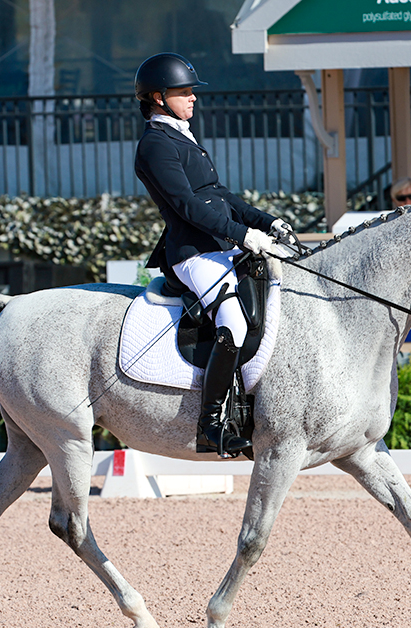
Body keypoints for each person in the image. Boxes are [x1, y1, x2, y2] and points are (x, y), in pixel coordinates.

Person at [133, 52, 293, 458]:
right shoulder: (155, 144)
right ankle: (212, 425)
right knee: (233, 322)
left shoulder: (182, 136)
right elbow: (188, 205)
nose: (192, 99)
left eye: (191, 92)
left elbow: (220, 196)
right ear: (157, 97)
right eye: (184, 92)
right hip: (193, 253)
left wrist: (266, 221)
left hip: (218, 247)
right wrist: (243, 235)